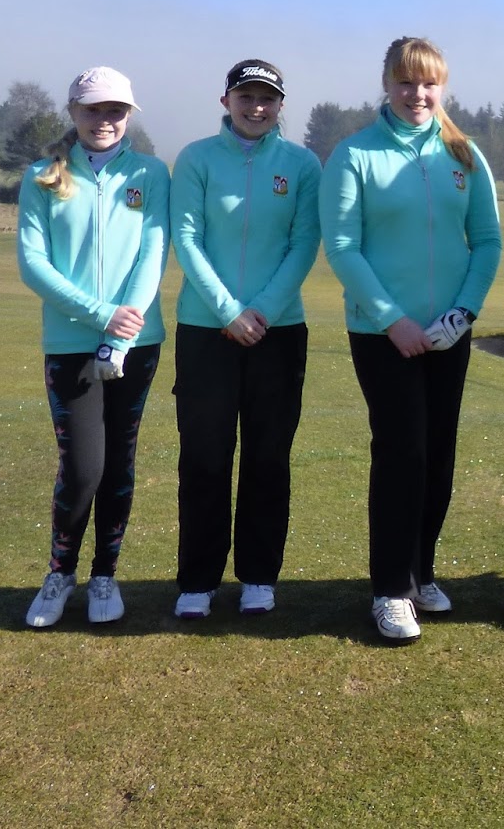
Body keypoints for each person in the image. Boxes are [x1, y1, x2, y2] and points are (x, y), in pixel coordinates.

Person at [320, 37, 501, 643]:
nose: (417, 94)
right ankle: (390, 589)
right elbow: (342, 246)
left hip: (449, 332)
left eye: (428, 83)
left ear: (441, 86)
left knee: (439, 453)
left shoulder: (463, 153)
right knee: (402, 454)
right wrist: (391, 320)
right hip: (383, 335)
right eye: (405, 82)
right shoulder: (354, 154)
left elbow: (487, 242)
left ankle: (421, 571)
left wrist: (463, 313)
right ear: (387, 84)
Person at [169, 59, 321, 619]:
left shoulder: (302, 164)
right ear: (226, 101)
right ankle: (198, 580)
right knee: (204, 457)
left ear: (280, 105)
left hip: (278, 331)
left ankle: (259, 575)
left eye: (267, 98)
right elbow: (187, 238)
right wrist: (231, 312)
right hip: (206, 328)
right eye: (246, 96)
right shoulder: (197, 158)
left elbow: (304, 242)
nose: (257, 107)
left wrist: (263, 311)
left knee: (268, 457)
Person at [17, 67, 168, 628]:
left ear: (128, 115)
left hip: (136, 345)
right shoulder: (42, 177)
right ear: (73, 113)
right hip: (70, 343)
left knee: (118, 466)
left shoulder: (150, 173)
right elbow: (33, 264)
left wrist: (121, 332)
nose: (105, 120)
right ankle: (60, 573)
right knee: (83, 468)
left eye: (116, 111)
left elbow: (152, 253)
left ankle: (105, 574)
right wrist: (102, 316)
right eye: (93, 110)